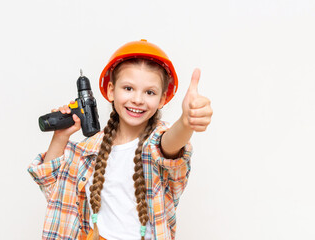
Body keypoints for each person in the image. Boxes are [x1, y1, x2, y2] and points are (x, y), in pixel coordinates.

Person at [28, 39, 213, 240]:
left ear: (162, 99)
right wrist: (60, 137)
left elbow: (170, 144)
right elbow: (53, 189)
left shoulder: (157, 143)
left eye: (149, 92)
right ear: (110, 90)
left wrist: (186, 123)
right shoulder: (89, 149)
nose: (138, 99)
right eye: (128, 88)